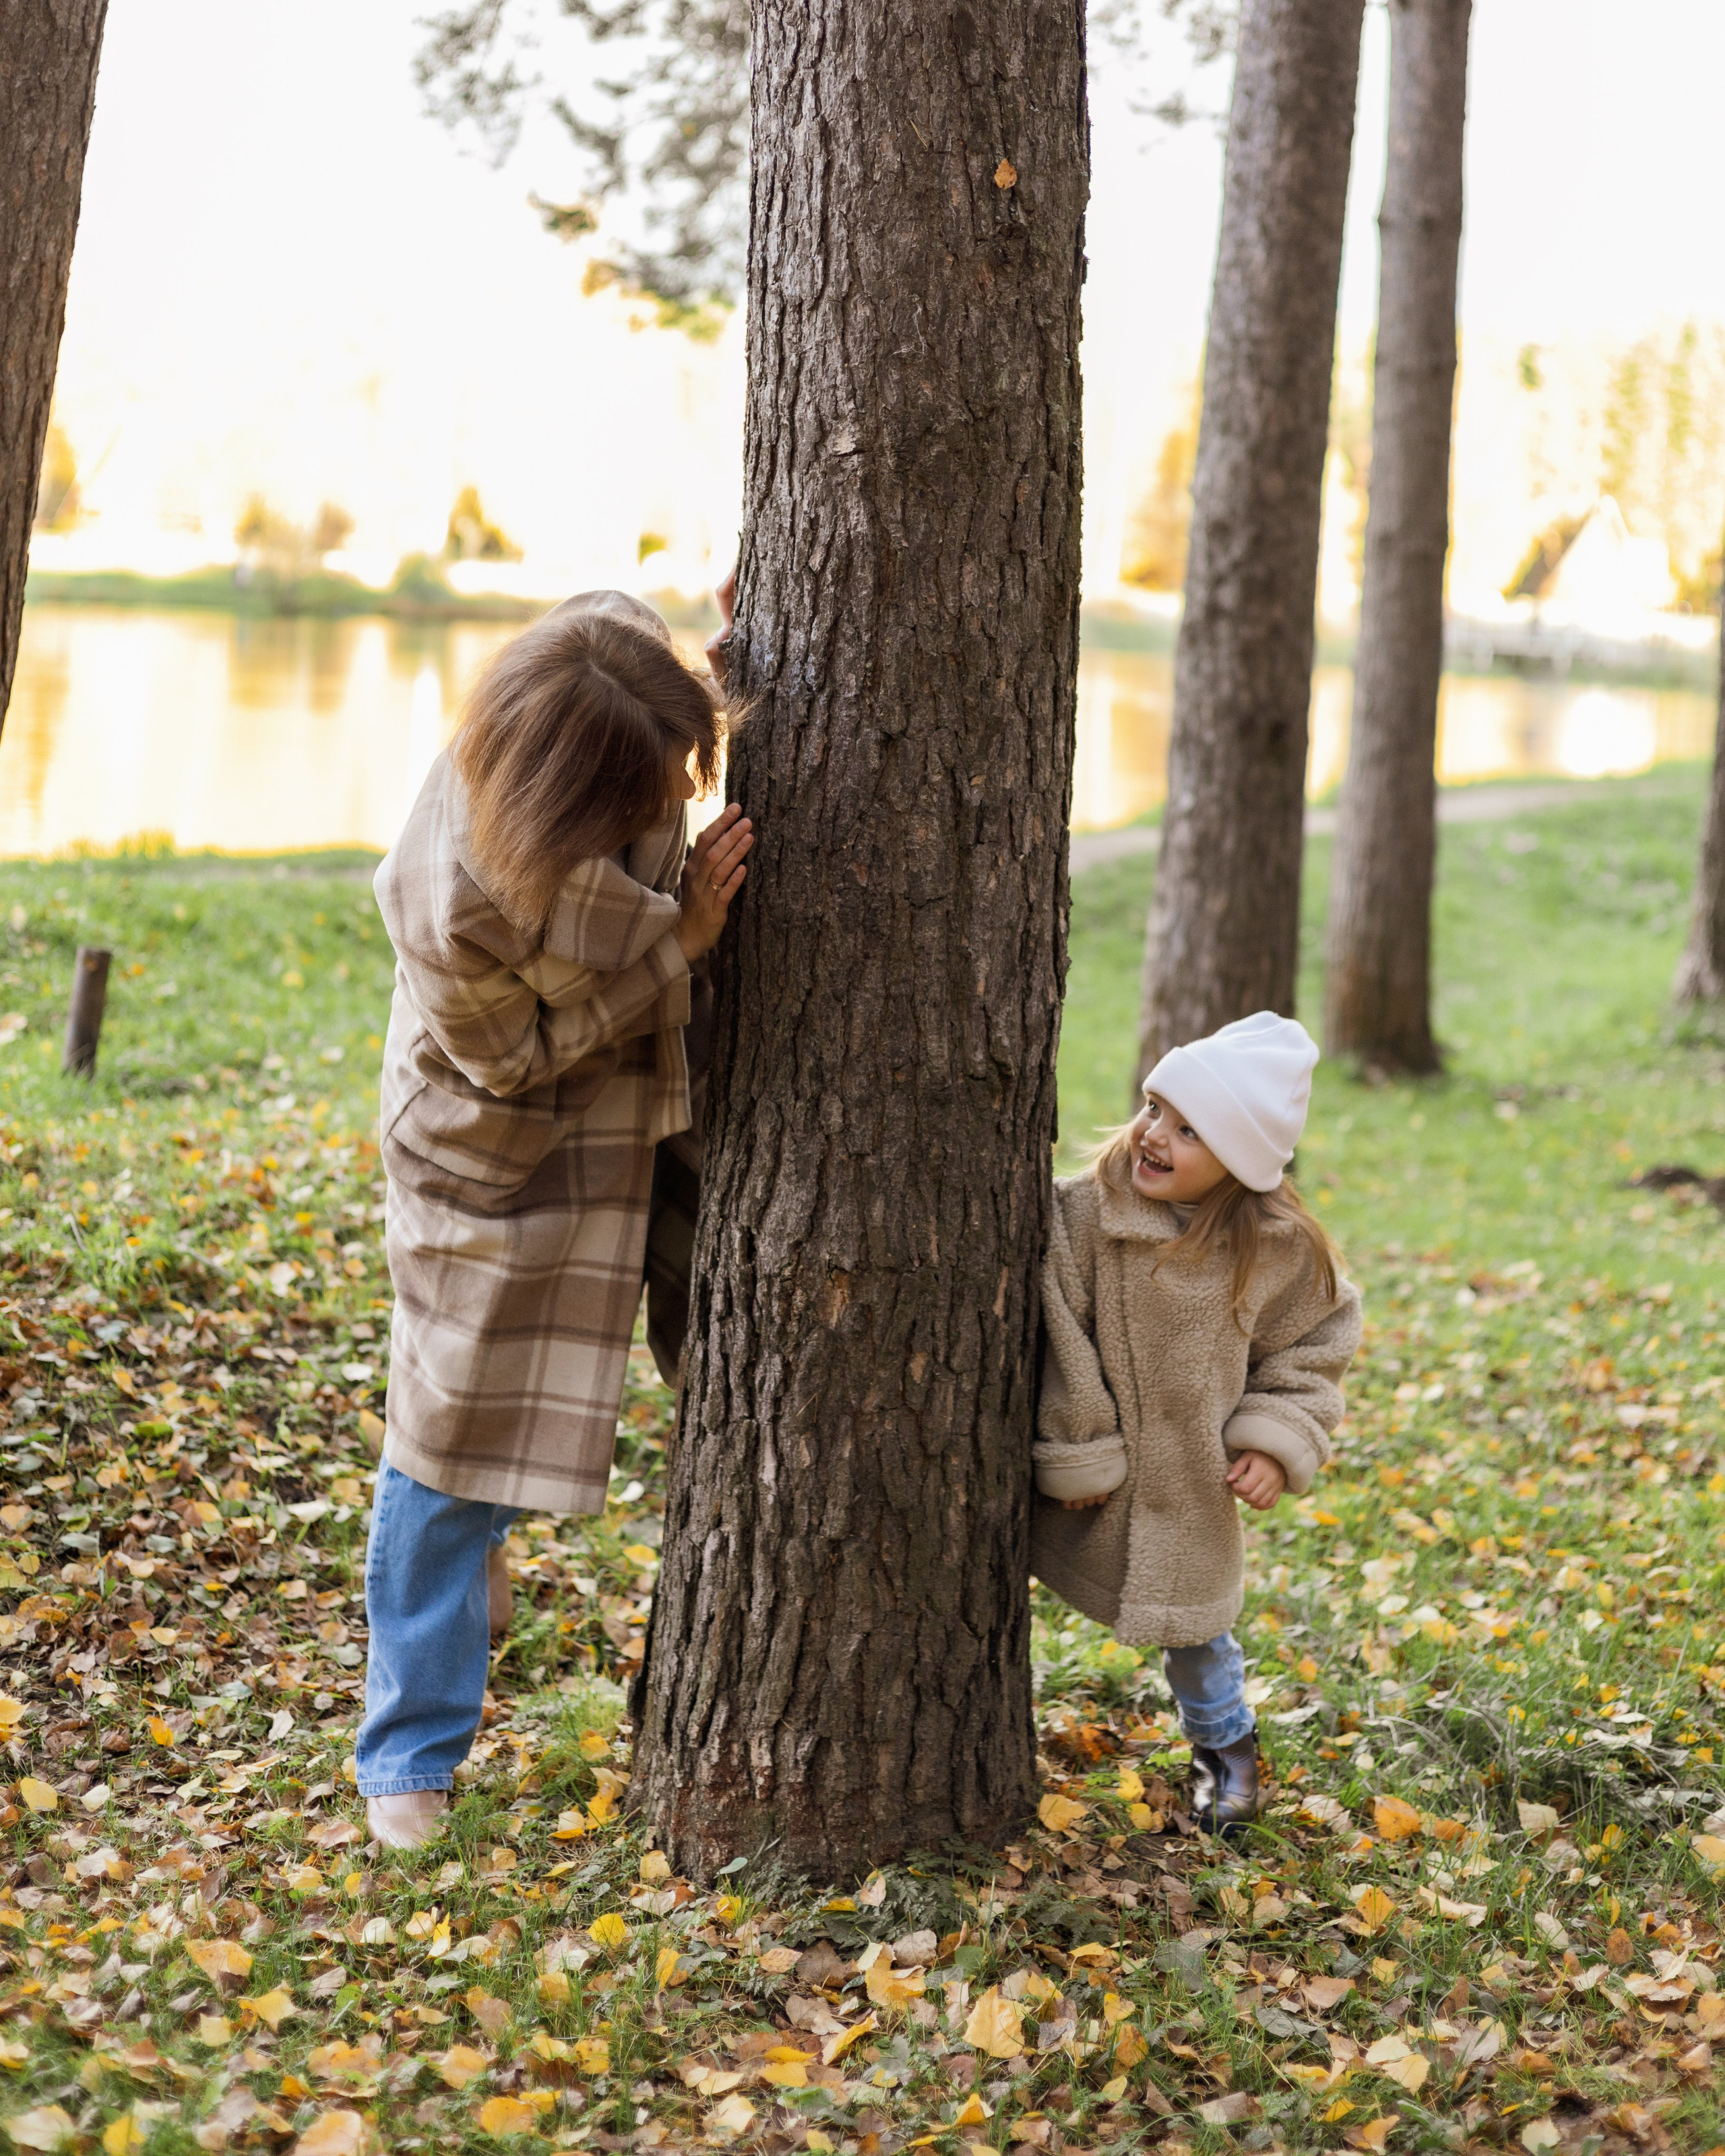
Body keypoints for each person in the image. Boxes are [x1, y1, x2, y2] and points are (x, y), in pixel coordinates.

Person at [358, 588, 752, 1849]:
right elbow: (517, 1061)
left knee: (718, 1356)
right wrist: (675, 945)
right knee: (449, 1443)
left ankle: (490, 1553)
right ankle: (407, 1750)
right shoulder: (449, 894)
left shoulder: (603, 652)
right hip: (498, 1144)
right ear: (573, 806)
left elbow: (652, 690)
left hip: (658, 1106)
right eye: (646, 799)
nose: (670, 802)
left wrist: (731, 650)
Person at [1030, 1011, 1361, 1832]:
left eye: (1189, 1131)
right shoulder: (1081, 1218)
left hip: (1189, 1485)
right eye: (1155, 1109)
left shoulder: (1276, 1249)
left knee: (1200, 1636)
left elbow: (1313, 1349)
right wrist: (1081, 1450)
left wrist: (1273, 1441)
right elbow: (1060, 1332)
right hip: (1081, 1473)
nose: (1154, 1135)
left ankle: (1226, 1749)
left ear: (1240, 1163)